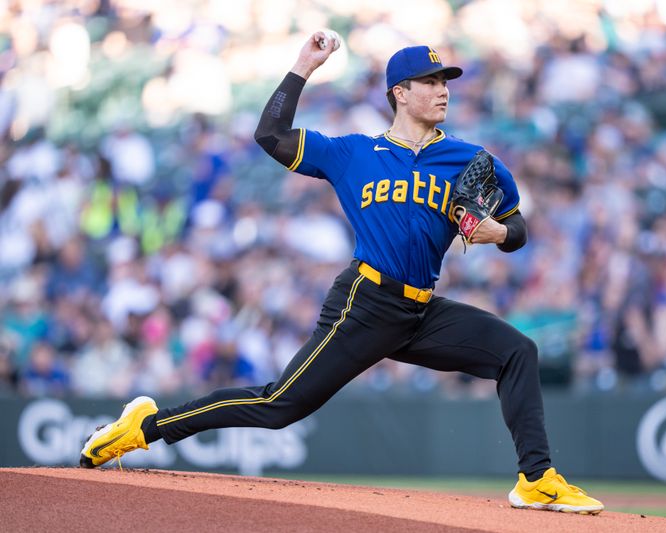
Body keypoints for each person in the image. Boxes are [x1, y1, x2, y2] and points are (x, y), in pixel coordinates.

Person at [79, 32, 603, 515]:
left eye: (446, 82)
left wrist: (500, 235)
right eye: (431, 81)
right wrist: (304, 66)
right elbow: (270, 134)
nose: (443, 90)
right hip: (365, 303)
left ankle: (537, 478)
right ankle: (143, 427)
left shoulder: (469, 160)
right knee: (277, 405)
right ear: (400, 92)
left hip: (420, 310)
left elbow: (518, 227)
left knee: (518, 352)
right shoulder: (353, 152)